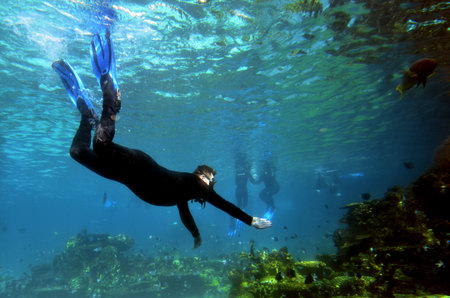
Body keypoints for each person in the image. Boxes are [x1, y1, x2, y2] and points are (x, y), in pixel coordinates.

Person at [52, 30, 271, 248]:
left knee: (77, 152)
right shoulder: (194, 184)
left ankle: (86, 115)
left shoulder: (183, 195)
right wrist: (250, 220)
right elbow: (224, 205)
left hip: (121, 174)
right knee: (99, 146)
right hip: (138, 165)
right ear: (203, 177)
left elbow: (186, 216)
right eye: (211, 179)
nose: (212, 183)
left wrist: (195, 235)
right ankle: (111, 93)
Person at [228, 152, 257, 236]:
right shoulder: (246, 172)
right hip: (243, 191)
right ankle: (238, 219)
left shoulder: (238, 172)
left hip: (239, 191)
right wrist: (250, 173)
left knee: (240, 205)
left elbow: (236, 182)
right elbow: (253, 181)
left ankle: (235, 222)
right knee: (243, 205)